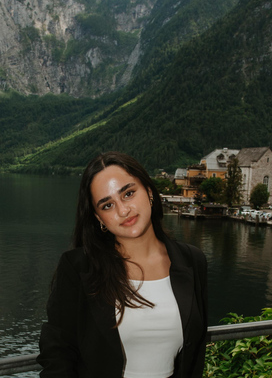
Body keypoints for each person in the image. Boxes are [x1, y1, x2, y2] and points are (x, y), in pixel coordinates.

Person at [38, 151, 208, 378]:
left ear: (148, 191)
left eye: (128, 193)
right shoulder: (78, 268)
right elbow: (57, 355)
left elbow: (195, 353)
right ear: (99, 219)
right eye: (107, 205)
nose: (123, 210)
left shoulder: (192, 261)